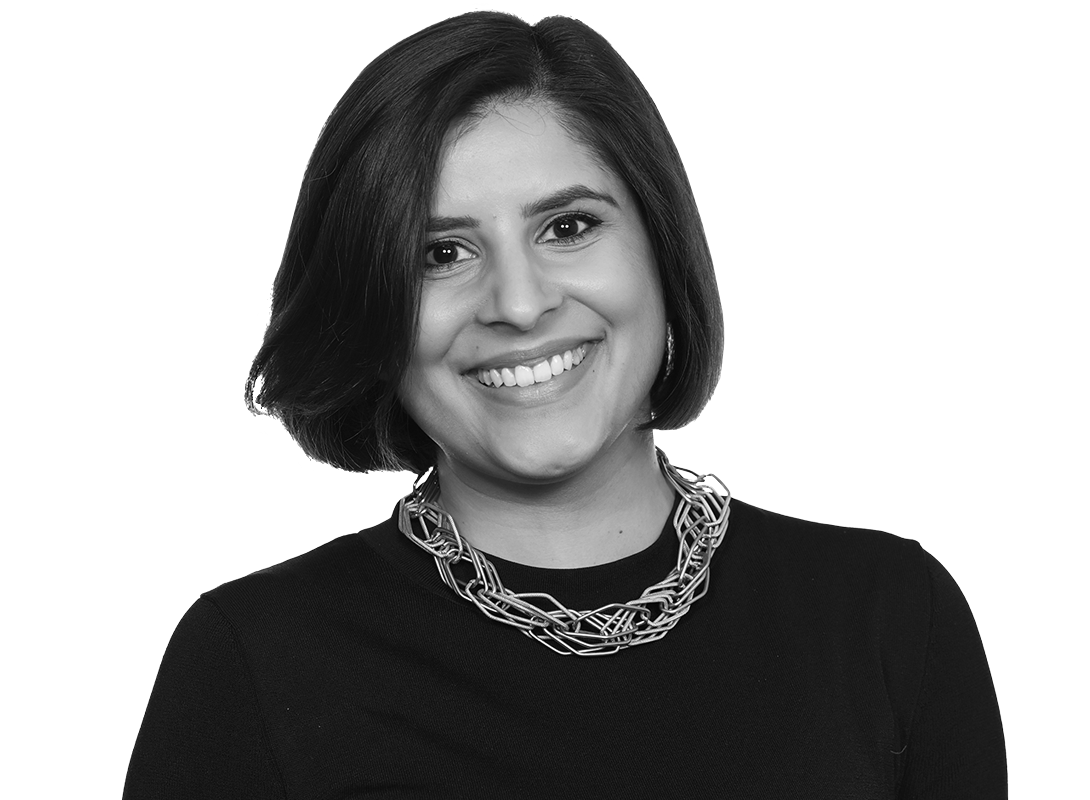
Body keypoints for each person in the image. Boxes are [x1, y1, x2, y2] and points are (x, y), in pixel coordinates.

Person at [123, 7, 1006, 797]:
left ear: (661, 247)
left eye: (568, 227)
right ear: (371, 312)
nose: (518, 303)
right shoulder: (253, 661)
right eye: (440, 254)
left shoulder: (891, 619)